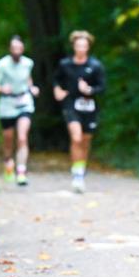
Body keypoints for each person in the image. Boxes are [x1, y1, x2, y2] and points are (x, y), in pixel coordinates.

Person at [53, 30, 106, 193]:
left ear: (88, 47)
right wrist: (57, 90)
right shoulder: (65, 64)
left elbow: (102, 87)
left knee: (85, 141)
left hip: (89, 107)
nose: (81, 48)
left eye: (84, 45)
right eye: (78, 45)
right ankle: (76, 175)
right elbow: (56, 79)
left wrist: (89, 90)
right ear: (74, 46)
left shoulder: (95, 66)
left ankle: (81, 171)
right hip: (71, 104)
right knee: (76, 138)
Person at [0, 35, 40, 186]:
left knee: (23, 137)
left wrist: (32, 88)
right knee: (8, 139)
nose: (17, 51)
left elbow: (28, 79)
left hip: (24, 101)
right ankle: (7, 161)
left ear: (23, 49)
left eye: (19, 48)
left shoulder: (28, 63)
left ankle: (22, 171)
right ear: (10, 49)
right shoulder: (2, 64)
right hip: (7, 103)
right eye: (14, 48)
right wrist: (1, 88)